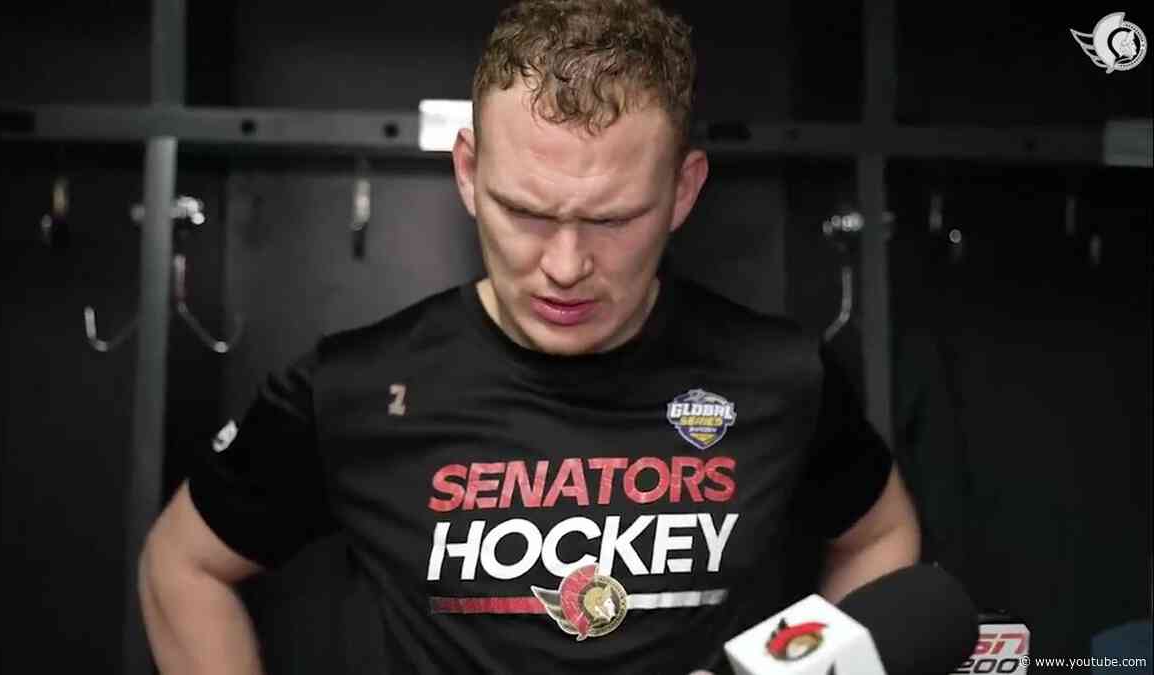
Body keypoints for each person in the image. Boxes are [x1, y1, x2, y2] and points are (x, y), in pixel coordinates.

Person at [138, 1, 922, 672]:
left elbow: (879, 534)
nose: (565, 265)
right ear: (470, 175)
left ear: (684, 191)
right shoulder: (357, 387)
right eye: (526, 212)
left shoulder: (779, 376)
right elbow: (183, 563)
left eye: (613, 219)